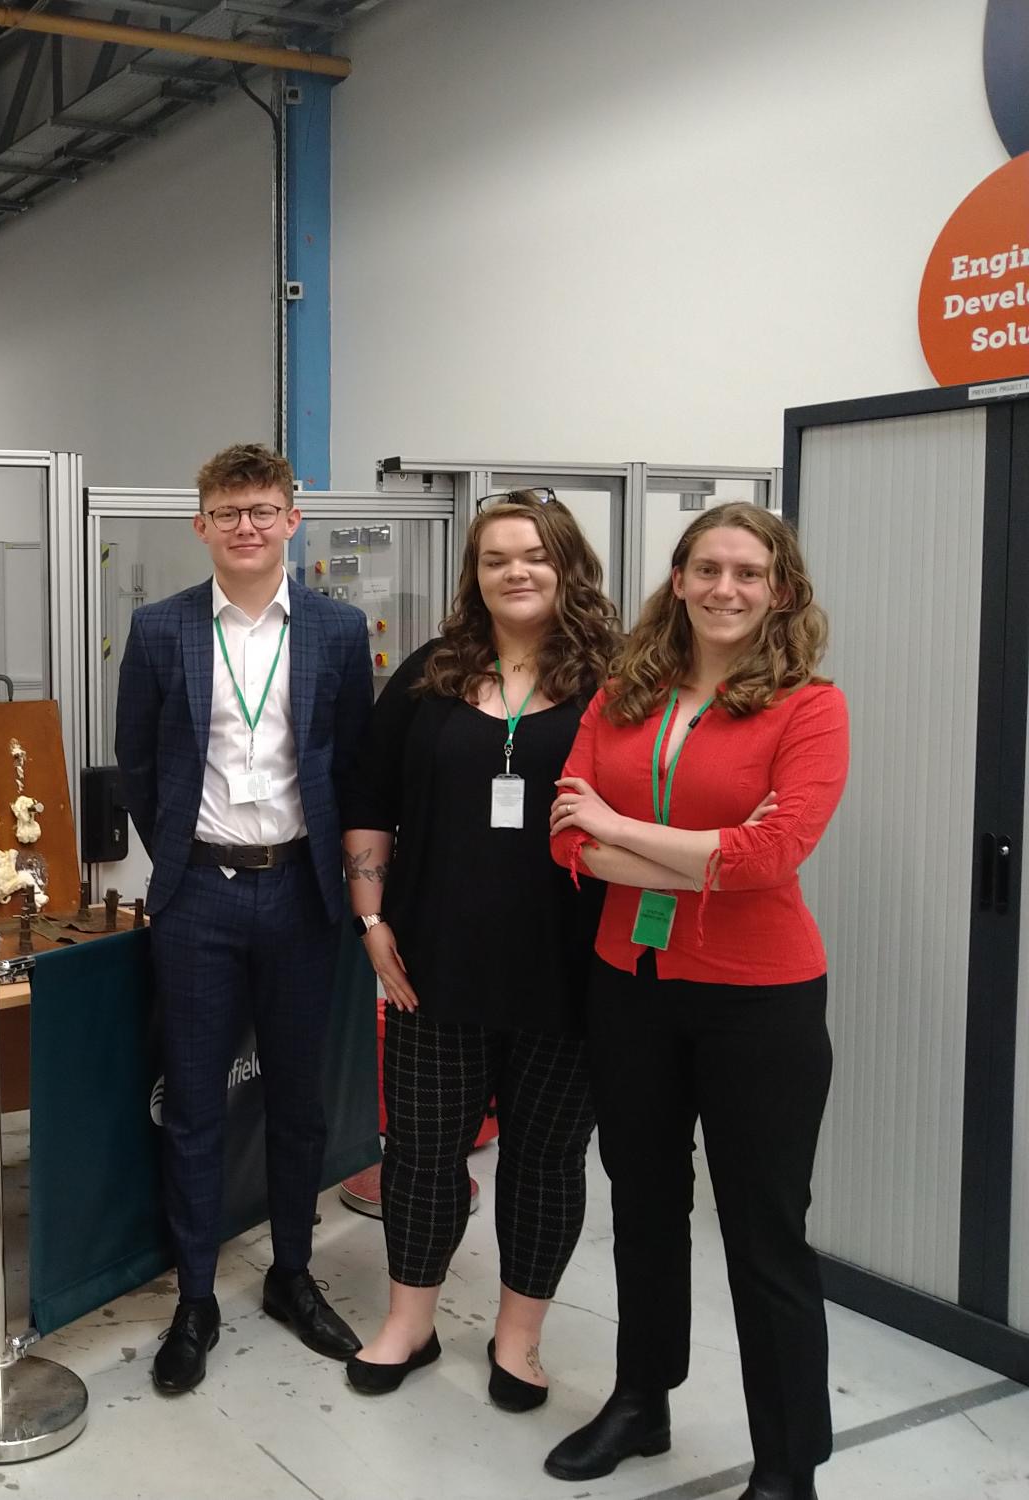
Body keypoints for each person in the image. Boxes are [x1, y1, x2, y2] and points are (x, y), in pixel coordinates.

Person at [546, 503, 846, 1500]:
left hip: (757, 1002)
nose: (725, 588)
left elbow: (771, 857)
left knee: (764, 1235)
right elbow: (565, 836)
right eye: (706, 568)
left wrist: (627, 835)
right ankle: (641, 1401)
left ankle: (786, 1462)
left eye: (747, 573)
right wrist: (702, 860)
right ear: (675, 579)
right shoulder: (624, 694)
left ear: (780, 592)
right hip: (627, 986)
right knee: (641, 1206)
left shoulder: (808, 708)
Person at [344, 492, 619, 1405]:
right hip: (435, 966)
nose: (516, 571)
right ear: (476, 573)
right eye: (497, 557)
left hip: (569, 972)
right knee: (422, 1152)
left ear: (567, 564)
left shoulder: (616, 679)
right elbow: (369, 802)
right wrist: (373, 921)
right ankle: (409, 1323)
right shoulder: (431, 672)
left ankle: (517, 1340)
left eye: (534, 554)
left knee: (544, 1160)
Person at [114, 442, 375, 1394]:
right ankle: (194, 1299)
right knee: (192, 1102)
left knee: (299, 1098)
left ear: (292, 520)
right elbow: (136, 762)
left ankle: (293, 1275)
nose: (248, 527)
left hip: (303, 896)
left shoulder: (340, 631)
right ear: (202, 526)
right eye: (229, 513)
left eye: (264, 509)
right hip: (201, 900)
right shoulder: (159, 629)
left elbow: (352, 767)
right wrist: (182, 855)